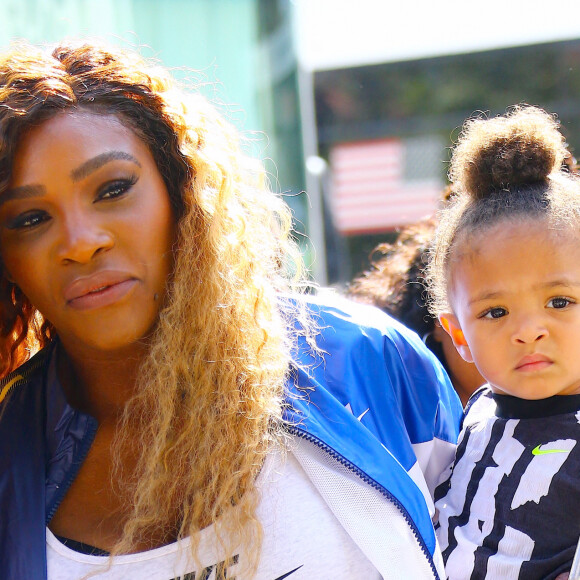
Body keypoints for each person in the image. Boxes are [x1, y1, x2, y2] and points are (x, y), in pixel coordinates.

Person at [0, 40, 462, 580]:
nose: (81, 242)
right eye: (30, 218)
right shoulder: (10, 460)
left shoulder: (365, 361)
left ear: (183, 191)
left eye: (113, 189)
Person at [427, 105, 580, 579]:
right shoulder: (473, 414)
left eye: (560, 302)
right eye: (495, 312)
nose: (528, 330)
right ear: (459, 337)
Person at [348, 214, 484, 406]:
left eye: (543, 304)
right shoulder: (388, 419)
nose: (524, 331)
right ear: (440, 321)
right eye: (494, 312)